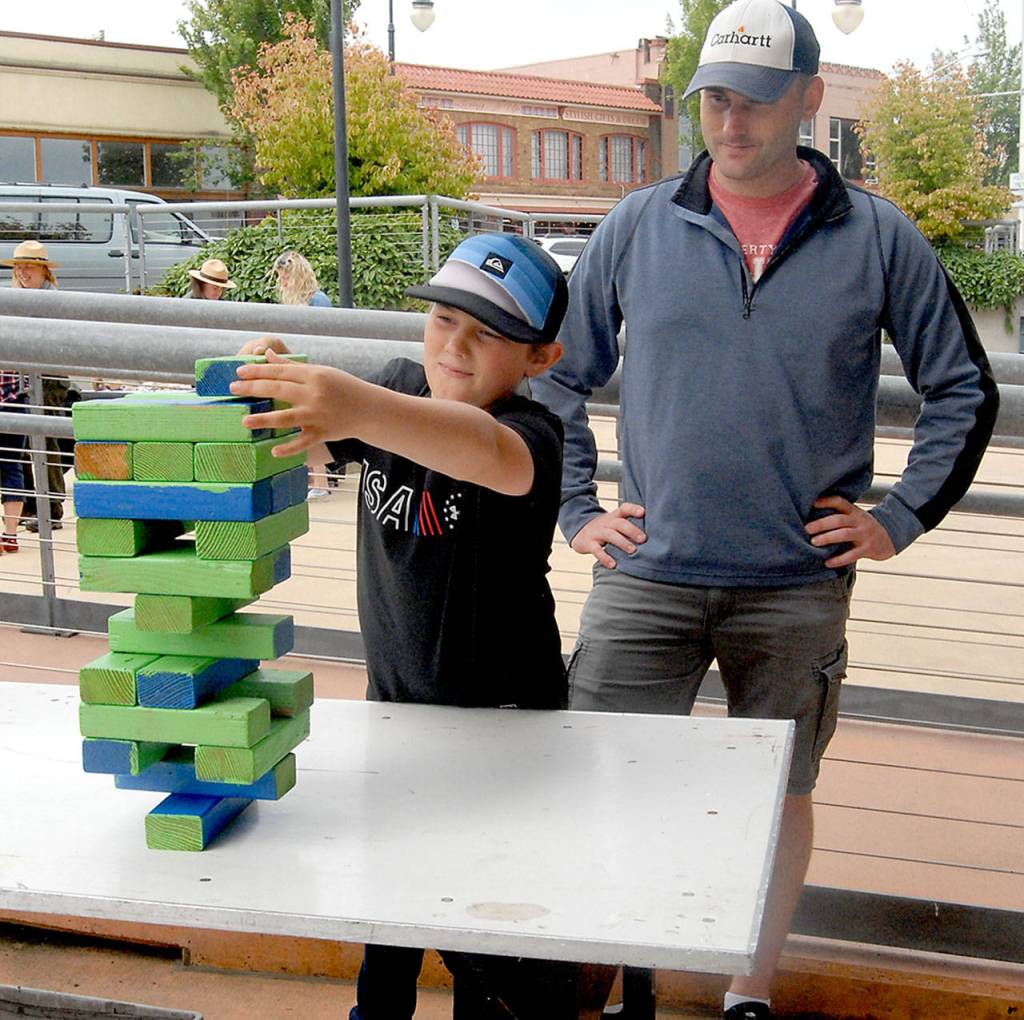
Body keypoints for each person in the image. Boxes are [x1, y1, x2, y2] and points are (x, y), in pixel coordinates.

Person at [530, 3, 1000, 1018]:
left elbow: (961, 387)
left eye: (753, 102)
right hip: (645, 577)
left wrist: (899, 516)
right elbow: (555, 375)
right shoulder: (638, 225)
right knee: (608, 782)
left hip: (795, 588)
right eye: (713, 102)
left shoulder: (878, 237)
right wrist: (574, 509)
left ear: (810, 101)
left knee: (779, 793)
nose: (729, 124)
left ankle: (749, 987)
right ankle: (619, 983)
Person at [231, 233, 587, 1020]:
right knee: (386, 919)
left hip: (506, 737)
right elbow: (317, 429)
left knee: (489, 940)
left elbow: (481, 450)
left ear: (541, 357)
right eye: (442, 318)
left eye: (488, 332)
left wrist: (356, 404)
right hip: (395, 717)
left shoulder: (535, 438)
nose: (454, 344)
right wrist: (271, 377)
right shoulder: (393, 391)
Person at [2, 241, 72, 534]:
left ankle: (51, 507)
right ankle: (36, 505)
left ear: (44, 269)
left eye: (29, 265)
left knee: (45, 444)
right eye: (19, 266)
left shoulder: (49, 300)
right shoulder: (21, 297)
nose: (22, 271)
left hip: (48, 379)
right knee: (29, 445)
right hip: (25, 378)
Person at [271, 249, 335, 497]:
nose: (281, 282)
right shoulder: (299, 301)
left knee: (310, 421)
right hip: (300, 366)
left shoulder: (316, 300)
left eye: (284, 276)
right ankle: (315, 481)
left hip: (314, 367)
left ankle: (321, 483)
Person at [0, 368, 27, 552]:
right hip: (16, 399)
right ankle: (10, 535)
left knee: (12, 466)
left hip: (13, 399)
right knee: (12, 466)